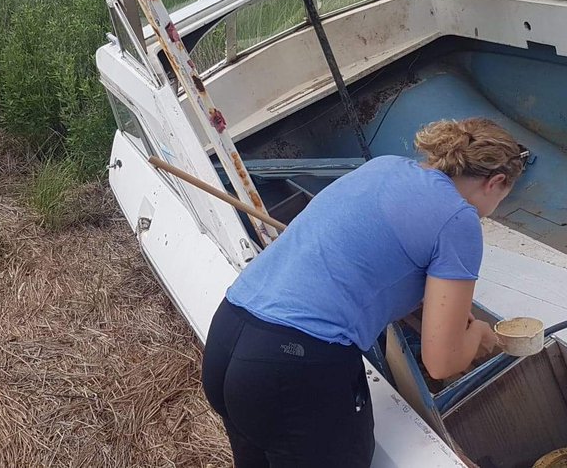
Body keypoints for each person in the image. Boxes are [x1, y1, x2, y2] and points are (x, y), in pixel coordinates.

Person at [201, 117, 529, 468]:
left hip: (228, 339)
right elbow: (441, 362)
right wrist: (478, 335)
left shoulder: (384, 167)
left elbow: (374, 258)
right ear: (496, 182)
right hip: (291, 368)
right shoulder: (459, 219)